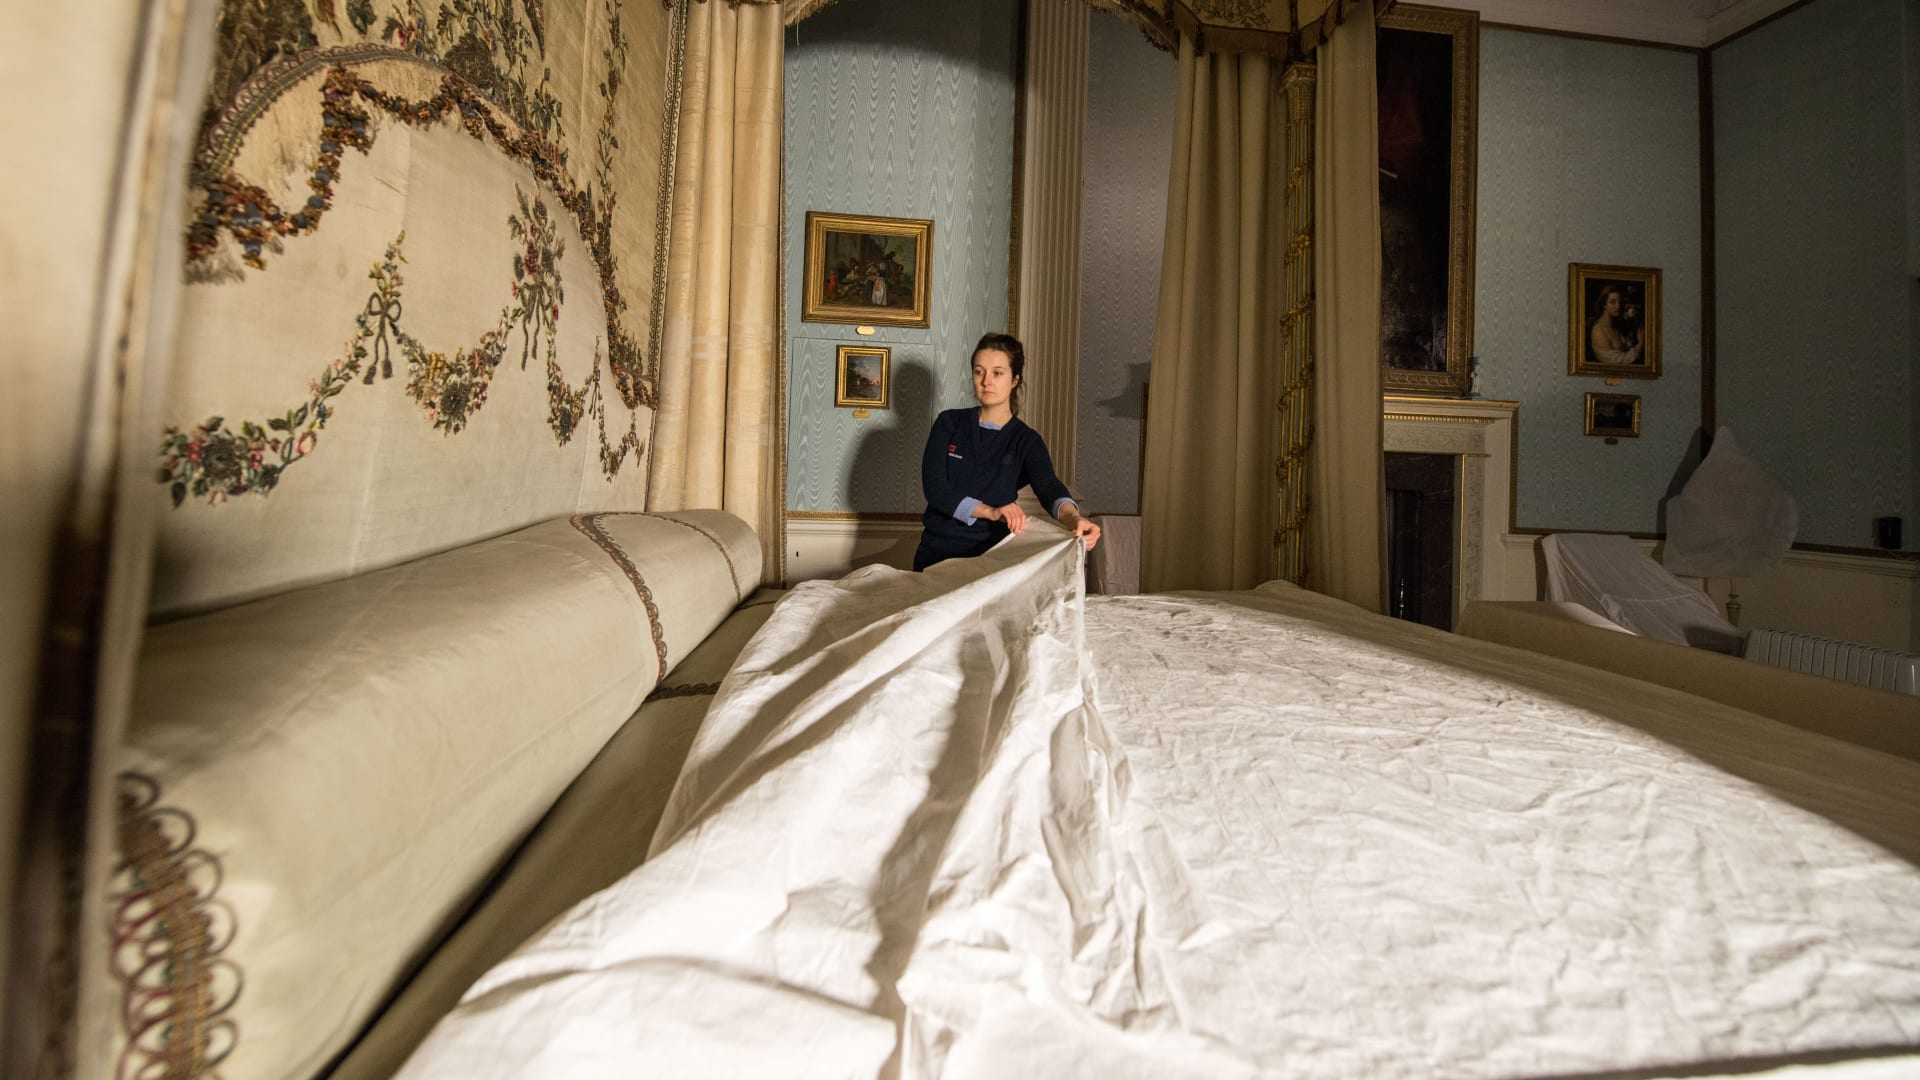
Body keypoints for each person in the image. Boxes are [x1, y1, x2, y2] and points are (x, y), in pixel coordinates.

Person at [914, 332, 1100, 571]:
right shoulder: (949, 423)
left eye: (997, 373)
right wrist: (991, 512)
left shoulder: (1026, 441)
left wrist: (1074, 518)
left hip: (992, 562)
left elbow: (1049, 487)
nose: (986, 381)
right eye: (979, 372)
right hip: (936, 555)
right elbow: (935, 488)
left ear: (1014, 380)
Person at [1588, 284, 1644, 366]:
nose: (1618, 306)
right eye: (1612, 302)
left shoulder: (1618, 323)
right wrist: (1640, 345)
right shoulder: (1598, 332)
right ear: (1604, 304)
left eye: (1620, 302)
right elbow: (1618, 362)